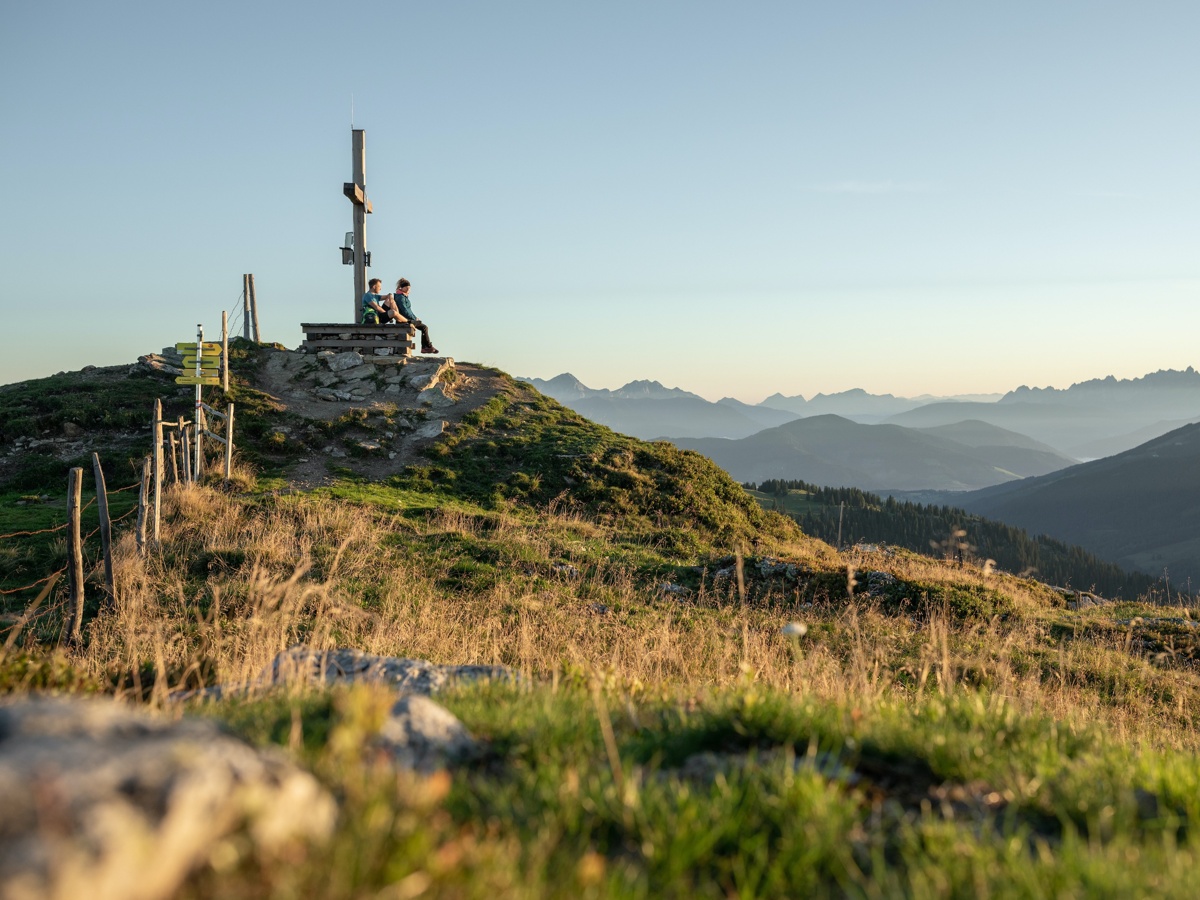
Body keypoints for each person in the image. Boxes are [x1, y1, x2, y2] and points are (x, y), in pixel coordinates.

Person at [392, 278, 439, 354]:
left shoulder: (403, 297)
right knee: (424, 327)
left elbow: (409, 311)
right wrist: (414, 318)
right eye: (406, 288)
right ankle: (426, 347)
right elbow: (404, 311)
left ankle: (426, 347)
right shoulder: (400, 297)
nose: (408, 290)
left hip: (407, 319)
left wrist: (415, 317)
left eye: (409, 288)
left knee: (423, 327)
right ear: (402, 288)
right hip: (404, 320)